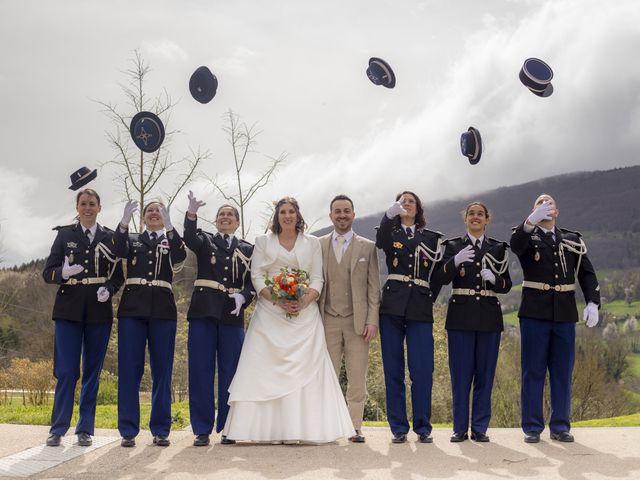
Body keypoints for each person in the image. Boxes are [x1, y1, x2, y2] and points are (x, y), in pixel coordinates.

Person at [223, 197, 355, 443]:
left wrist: (304, 300)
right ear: (277, 216)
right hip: (269, 314)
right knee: (263, 368)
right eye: (282, 212)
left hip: (304, 315)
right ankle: (261, 430)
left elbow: (317, 278)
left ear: (297, 215)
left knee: (307, 369)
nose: (287, 216)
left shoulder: (312, 243)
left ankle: (304, 429)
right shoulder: (263, 242)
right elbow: (257, 276)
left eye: (291, 211)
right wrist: (276, 298)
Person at [510, 194, 600, 443]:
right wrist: (530, 222)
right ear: (534, 210)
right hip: (534, 313)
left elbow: (587, 273)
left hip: (564, 313)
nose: (545, 206)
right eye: (540, 203)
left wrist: (593, 301)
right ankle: (532, 427)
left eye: (549, 203)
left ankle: (560, 426)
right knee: (533, 371)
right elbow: (516, 245)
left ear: (556, 211)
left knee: (561, 372)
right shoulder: (528, 236)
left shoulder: (572, 240)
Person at [42, 188, 123, 447]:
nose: (88, 208)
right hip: (68, 310)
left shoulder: (110, 237)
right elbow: (48, 272)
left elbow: (118, 276)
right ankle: (58, 427)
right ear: (77, 208)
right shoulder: (65, 234)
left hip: (99, 311)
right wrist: (62, 273)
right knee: (66, 371)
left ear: (100, 207)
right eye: (83, 204)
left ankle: (85, 428)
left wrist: (108, 289)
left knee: (92, 372)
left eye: (92, 204)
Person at [433, 202, 511, 443]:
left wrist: (495, 279)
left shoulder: (498, 248)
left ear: (488, 219)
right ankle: (459, 428)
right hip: (461, 318)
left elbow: (507, 285)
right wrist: (454, 261)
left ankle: (479, 428)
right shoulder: (453, 246)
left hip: (489, 317)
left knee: (485, 376)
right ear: (465, 219)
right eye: (471, 214)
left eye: (480, 214)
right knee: (461, 376)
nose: (475, 218)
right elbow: (440, 278)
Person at [112, 199, 186, 447]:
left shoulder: (170, 239)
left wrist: (170, 226)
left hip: (163, 311)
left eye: (159, 210)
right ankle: (128, 430)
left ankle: (161, 429)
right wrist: (123, 223)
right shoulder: (132, 239)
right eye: (150, 211)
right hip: (132, 309)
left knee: (162, 372)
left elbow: (180, 256)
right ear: (142, 217)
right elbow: (117, 248)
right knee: (129, 371)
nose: (154, 213)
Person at [183, 191, 254, 447]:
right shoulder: (205, 241)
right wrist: (191, 215)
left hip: (232, 315)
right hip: (203, 311)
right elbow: (189, 237)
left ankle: (228, 426)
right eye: (221, 215)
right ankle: (202, 428)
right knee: (201, 370)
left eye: (230, 215)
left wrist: (244, 297)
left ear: (237, 222)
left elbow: (252, 283)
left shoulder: (248, 249)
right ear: (215, 221)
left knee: (231, 372)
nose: (225, 218)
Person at [375, 191, 444, 444]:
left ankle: (423, 427)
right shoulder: (389, 232)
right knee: (394, 370)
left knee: (422, 370)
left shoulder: (432, 238)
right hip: (392, 306)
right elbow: (380, 241)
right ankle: (398, 428)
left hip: (420, 308)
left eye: (411, 201)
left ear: (418, 208)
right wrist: (387, 216)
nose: (407, 204)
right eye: (402, 201)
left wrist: (427, 296)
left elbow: (435, 276)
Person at [318, 194, 380, 443]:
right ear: (330, 215)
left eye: (346, 211)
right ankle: (328, 426)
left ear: (353, 215)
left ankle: (355, 427)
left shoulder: (367, 246)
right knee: (327, 376)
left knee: (357, 377)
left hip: (358, 322)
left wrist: (372, 320)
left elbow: (373, 288)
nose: (342, 215)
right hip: (327, 320)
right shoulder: (318, 245)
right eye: (337, 211)